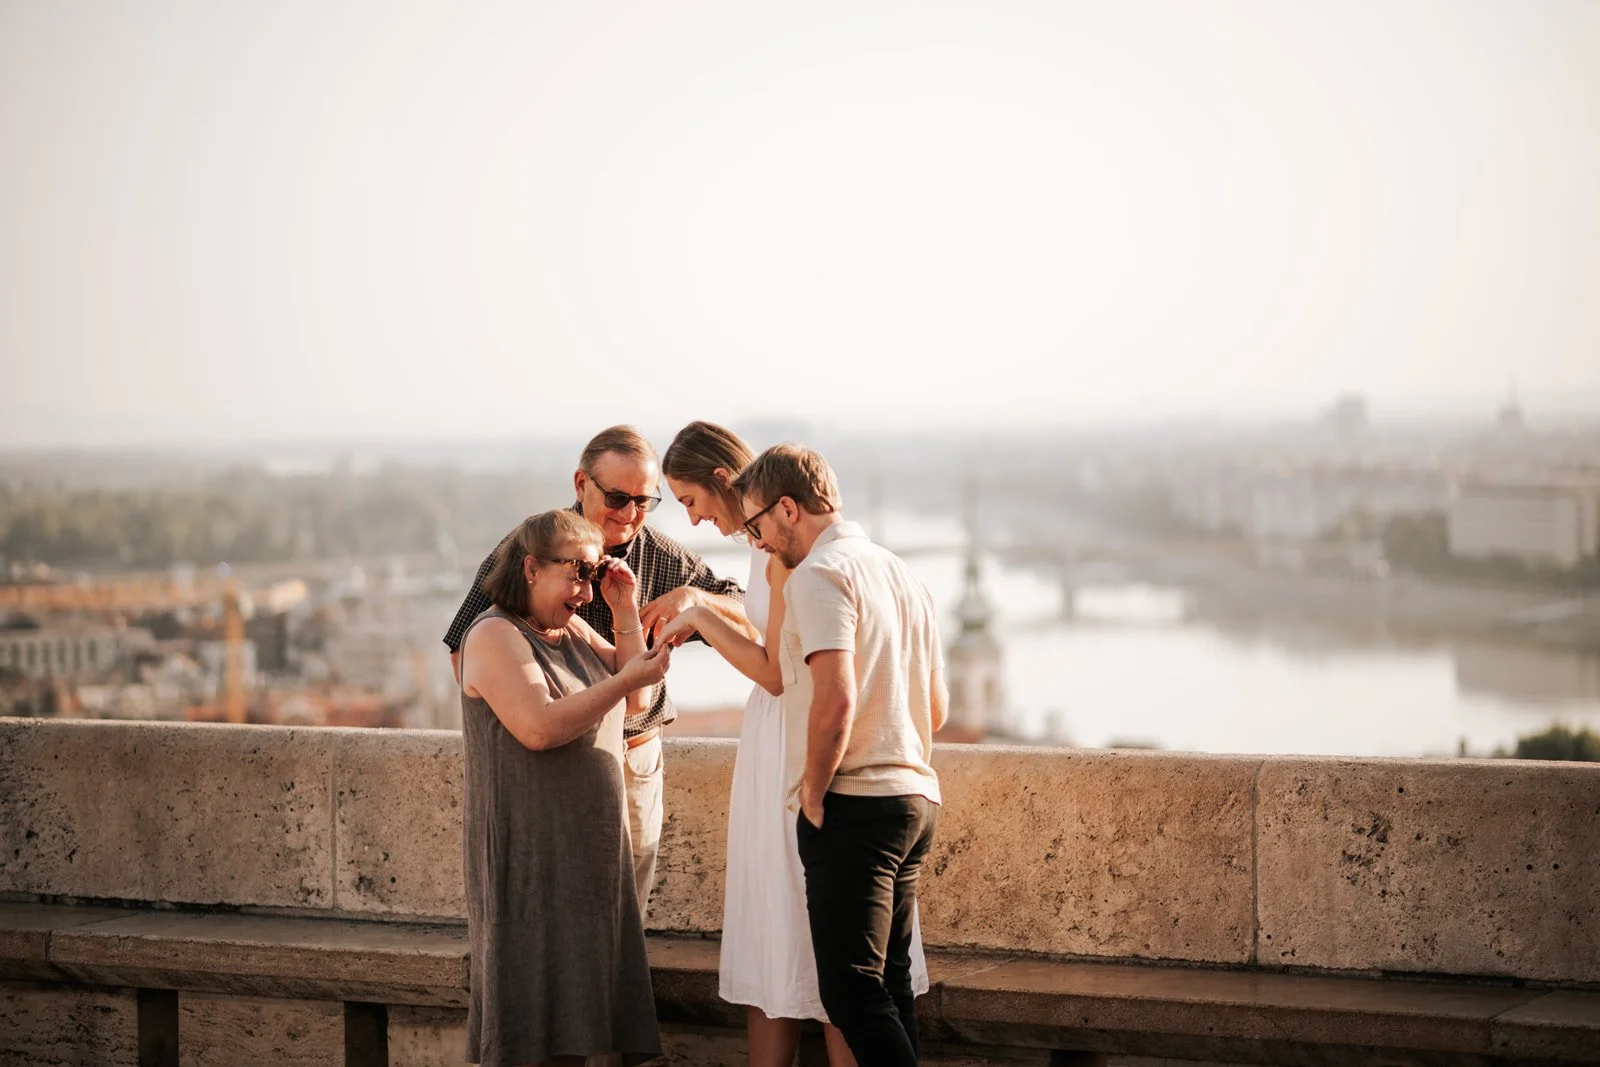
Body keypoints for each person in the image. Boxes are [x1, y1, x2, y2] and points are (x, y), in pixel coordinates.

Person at [658, 423, 932, 1067]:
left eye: (690, 501)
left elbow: (786, 676)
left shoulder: (799, 561)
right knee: (840, 964)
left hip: (813, 757)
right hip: (891, 780)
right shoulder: (878, 565)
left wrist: (699, 617)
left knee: (838, 972)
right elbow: (932, 703)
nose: (692, 521)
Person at [443, 425, 750, 917]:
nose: (629, 514)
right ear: (581, 483)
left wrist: (696, 599)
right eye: (617, 498)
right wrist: (527, 708)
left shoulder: (663, 557)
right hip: (548, 766)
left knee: (624, 915)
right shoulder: (531, 546)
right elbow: (465, 646)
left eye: (644, 502)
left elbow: (747, 609)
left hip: (632, 756)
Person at [732, 444, 946, 1067]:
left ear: (788, 508)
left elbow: (836, 698)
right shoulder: (902, 574)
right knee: (888, 986)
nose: (758, 542)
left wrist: (813, 792)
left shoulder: (818, 575)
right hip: (913, 800)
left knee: (849, 993)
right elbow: (936, 706)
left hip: (854, 802)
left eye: (756, 525)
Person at [456, 509, 670, 1067]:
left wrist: (625, 609)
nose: (585, 591)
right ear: (531, 568)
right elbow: (539, 727)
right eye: (577, 573)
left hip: (587, 857)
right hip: (531, 857)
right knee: (532, 1029)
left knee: (575, 1031)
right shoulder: (495, 634)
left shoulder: (568, 629)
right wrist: (626, 679)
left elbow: (638, 696)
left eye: (593, 573)